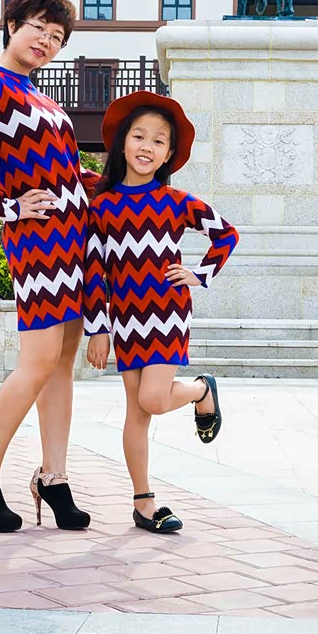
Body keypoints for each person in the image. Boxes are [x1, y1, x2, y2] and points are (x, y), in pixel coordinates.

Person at [0, 0, 99, 533]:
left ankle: (54, 478)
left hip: (76, 241)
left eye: (56, 36)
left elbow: (66, 173)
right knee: (37, 362)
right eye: (38, 28)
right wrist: (8, 205)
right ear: (13, 25)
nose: (46, 40)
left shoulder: (44, 99)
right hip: (37, 243)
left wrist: (115, 185)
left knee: (62, 364)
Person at [83, 92, 239, 534]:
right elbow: (94, 271)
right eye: (139, 136)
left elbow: (226, 234)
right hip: (125, 318)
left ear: (169, 154)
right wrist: (98, 329)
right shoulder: (101, 206)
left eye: (158, 141)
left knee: (152, 399)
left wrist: (199, 274)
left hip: (168, 313)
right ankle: (143, 502)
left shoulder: (176, 200)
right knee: (136, 411)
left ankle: (200, 389)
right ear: (122, 142)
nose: (147, 146)